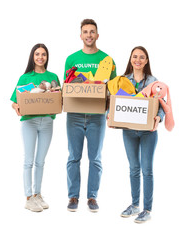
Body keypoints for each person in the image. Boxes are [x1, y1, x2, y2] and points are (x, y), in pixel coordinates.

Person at [64, 19, 116, 212]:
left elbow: (114, 89)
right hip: (75, 115)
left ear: (97, 35)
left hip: (97, 116)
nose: (88, 35)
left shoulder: (107, 59)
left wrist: (111, 113)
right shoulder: (71, 59)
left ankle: (92, 197)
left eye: (92, 32)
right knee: (73, 157)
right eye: (85, 32)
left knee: (95, 158)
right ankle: (73, 196)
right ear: (81, 36)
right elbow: (67, 87)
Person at [10, 43, 61, 212]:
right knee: (29, 161)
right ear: (33, 56)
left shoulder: (53, 76)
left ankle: (38, 194)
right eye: (37, 54)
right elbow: (14, 101)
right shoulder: (25, 77)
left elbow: (59, 98)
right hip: (29, 122)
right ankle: (28, 197)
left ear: (47, 57)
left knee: (40, 161)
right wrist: (16, 106)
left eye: (44, 54)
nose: (40, 57)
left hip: (47, 122)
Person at [120, 46, 165, 223]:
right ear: (130, 59)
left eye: (141, 57)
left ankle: (147, 209)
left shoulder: (154, 81)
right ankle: (134, 205)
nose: (137, 60)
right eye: (134, 57)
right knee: (133, 169)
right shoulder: (122, 80)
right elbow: (115, 102)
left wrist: (158, 119)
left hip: (148, 132)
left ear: (146, 61)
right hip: (128, 131)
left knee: (147, 170)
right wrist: (110, 114)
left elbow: (162, 106)